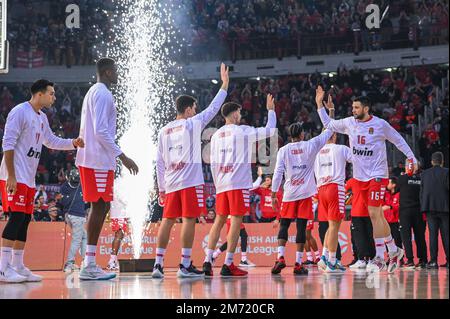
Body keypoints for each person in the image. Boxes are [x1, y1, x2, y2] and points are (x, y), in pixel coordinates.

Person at [316, 85, 418, 273]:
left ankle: (381, 256)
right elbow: (329, 125)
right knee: (376, 216)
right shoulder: (349, 123)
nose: (353, 110)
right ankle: (393, 250)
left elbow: (398, 140)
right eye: (352, 108)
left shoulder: (380, 124)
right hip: (359, 177)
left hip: (377, 175)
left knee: (373, 213)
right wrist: (319, 106)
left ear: (366, 108)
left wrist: (411, 157)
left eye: (356, 108)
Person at [0, 79, 84, 283]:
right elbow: (7, 144)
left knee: (25, 219)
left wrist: (73, 143)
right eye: (52, 93)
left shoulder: (43, 118)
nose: (54, 97)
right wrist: (11, 175)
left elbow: (51, 141)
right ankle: (2, 268)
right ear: (40, 94)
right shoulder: (20, 112)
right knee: (17, 217)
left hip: (28, 178)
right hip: (14, 175)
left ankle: (18, 265)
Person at [154, 63, 229, 279]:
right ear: (188, 110)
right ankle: (185, 265)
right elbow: (214, 109)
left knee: (167, 221)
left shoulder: (163, 130)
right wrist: (224, 85)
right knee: (188, 220)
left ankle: (157, 265)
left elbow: (159, 161)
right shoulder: (192, 124)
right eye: (194, 108)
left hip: (170, 183)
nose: (196, 111)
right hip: (189, 183)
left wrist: (161, 188)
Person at [76, 58, 139, 281]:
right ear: (107, 72)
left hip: (93, 158)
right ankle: (89, 264)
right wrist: (124, 156)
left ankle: (89, 263)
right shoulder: (103, 93)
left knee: (100, 207)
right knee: (99, 206)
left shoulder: (94, 92)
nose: (118, 74)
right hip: (98, 160)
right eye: (115, 71)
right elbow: (102, 131)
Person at [203, 94, 276, 278]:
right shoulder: (242, 130)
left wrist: (217, 182)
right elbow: (270, 130)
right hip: (237, 184)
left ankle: (207, 261)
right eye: (239, 112)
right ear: (235, 114)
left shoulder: (216, 135)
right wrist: (271, 110)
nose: (240, 115)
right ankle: (228, 264)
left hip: (221, 183)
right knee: (236, 223)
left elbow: (212, 162)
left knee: (219, 222)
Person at [271, 123, 334, 276]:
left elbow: (278, 172)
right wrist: (330, 111)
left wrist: (273, 194)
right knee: (301, 228)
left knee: (284, 225)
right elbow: (328, 131)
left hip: (289, 194)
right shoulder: (310, 145)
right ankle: (298, 263)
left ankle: (280, 257)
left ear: (290, 135)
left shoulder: (283, 150)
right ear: (302, 134)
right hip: (305, 194)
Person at [314, 93, 352, 273]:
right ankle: (329, 260)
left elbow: (329, 126)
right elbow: (357, 158)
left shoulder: (315, 151)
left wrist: (331, 111)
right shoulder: (341, 149)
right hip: (336, 188)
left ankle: (325, 258)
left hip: (321, 189)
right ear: (334, 136)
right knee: (335, 226)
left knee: (331, 225)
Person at [210, 174, 263, 267]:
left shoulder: (225, 185)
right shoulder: (239, 186)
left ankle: (215, 255)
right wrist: (259, 176)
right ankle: (241, 259)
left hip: (231, 217)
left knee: (235, 238)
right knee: (238, 237)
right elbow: (254, 185)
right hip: (233, 218)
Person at [420, 151, 449, 269]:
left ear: (432, 162)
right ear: (442, 161)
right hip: (445, 209)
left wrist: (423, 207)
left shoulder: (424, 174)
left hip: (430, 208)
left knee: (432, 235)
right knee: (446, 235)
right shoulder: (447, 172)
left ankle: (433, 261)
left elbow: (421, 193)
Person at [397, 161, 428, 269]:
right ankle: (423, 259)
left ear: (407, 167)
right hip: (419, 211)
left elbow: (394, 189)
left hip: (405, 212)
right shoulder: (421, 178)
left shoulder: (401, 179)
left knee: (406, 237)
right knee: (420, 236)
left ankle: (409, 260)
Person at [61, 168, 88, 273]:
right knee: (77, 239)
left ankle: (85, 261)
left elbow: (62, 201)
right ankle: (69, 263)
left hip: (68, 215)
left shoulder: (64, 187)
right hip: (77, 216)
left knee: (84, 236)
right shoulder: (81, 186)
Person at [346, 178, 375, 269]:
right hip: (370, 211)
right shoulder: (371, 179)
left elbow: (343, 190)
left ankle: (361, 259)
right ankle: (371, 259)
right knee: (369, 236)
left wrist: (350, 195)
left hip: (357, 212)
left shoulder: (353, 180)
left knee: (359, 237)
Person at [382, 177, 404, 267]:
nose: (387, 184)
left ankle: (401, 259)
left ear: (394, 185)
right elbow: (382, 204)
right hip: (386, 221)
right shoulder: (385, 194)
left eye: (389, 183)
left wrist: (390, 207)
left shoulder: (399, 194)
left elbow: (399, 205)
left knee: (398, 240)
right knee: (387, 241)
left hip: (395, 221)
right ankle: (391, 258)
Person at [106, 194, 128, 271]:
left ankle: (113, 260)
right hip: (118, 213)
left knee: (119, 236)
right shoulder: (119, 184)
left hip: (119, 213)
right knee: (119, 235)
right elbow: (124, 199)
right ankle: (112, 260)